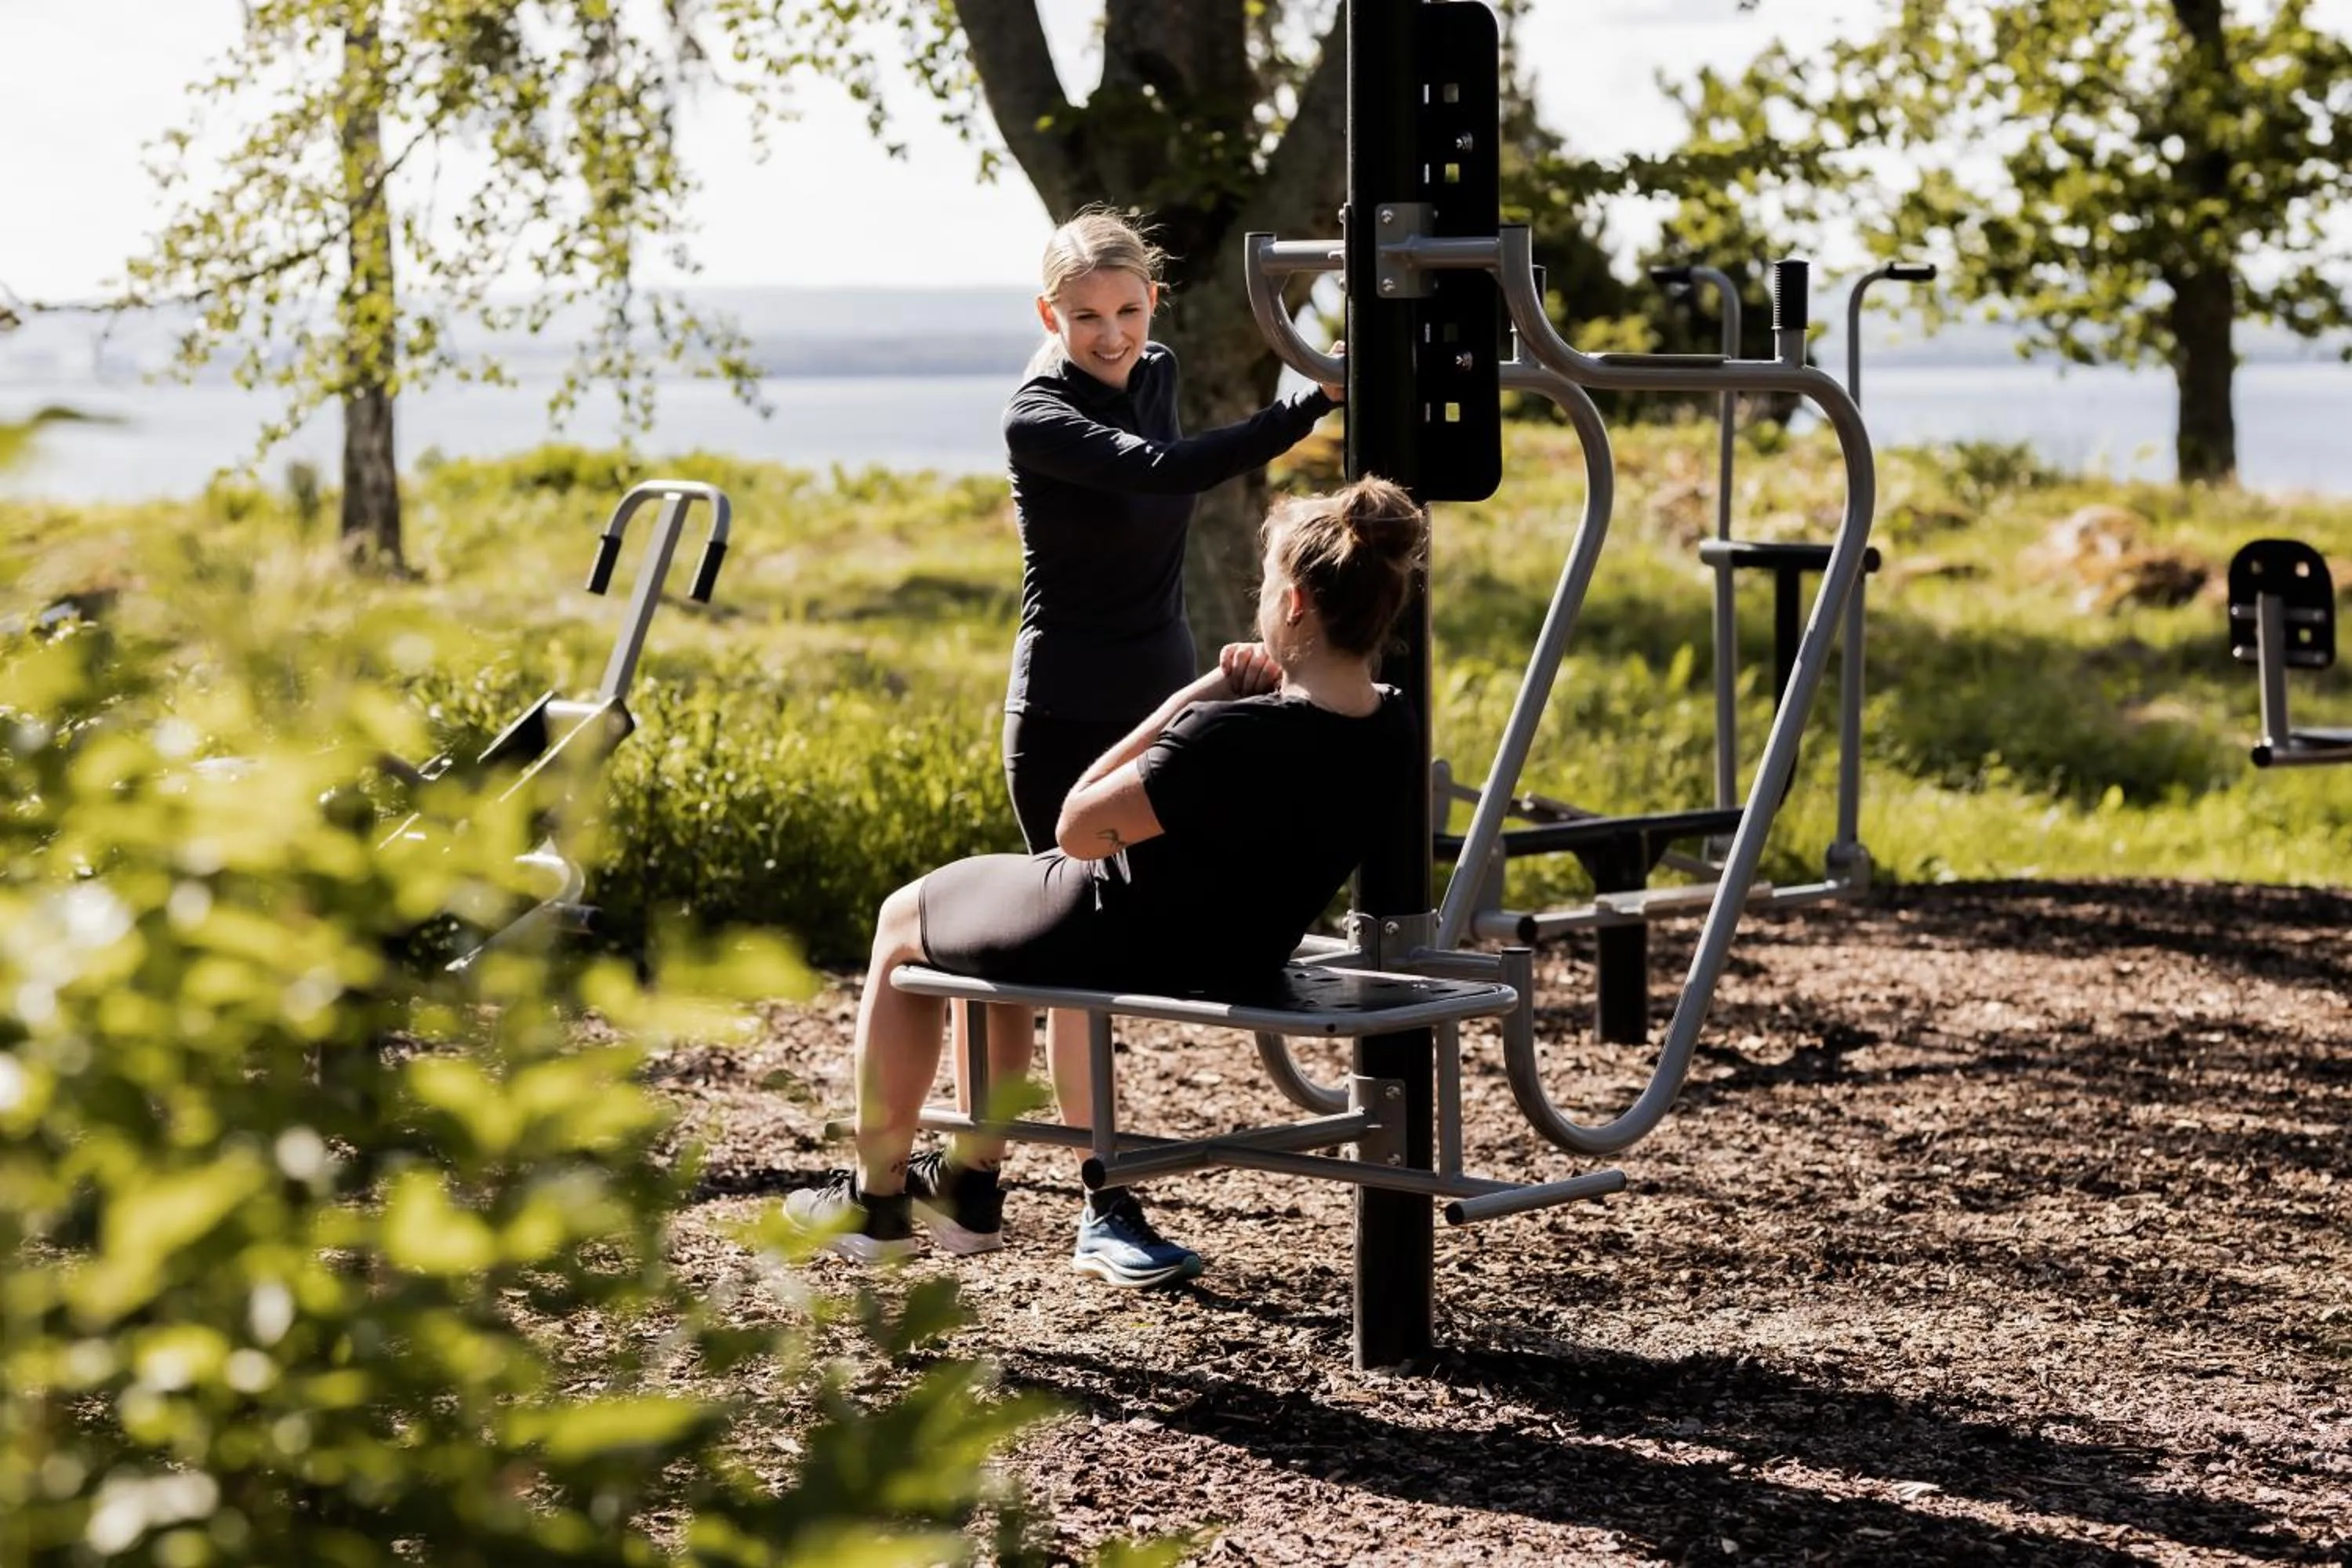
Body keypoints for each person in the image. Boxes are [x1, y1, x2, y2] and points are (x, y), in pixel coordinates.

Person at [786, 477, 1425, 1287]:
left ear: (1295, 603)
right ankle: (964, 1186)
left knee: (903, 919)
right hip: (1235, 954)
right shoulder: (1394, 723)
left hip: (1107, 928)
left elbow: (1076, 826)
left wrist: (1193, 698)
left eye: (1266, 585)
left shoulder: (1226, 731)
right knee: (984, 931)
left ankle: (877, 1200)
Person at [966, 206, 1345, 1276]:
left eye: (1128, 310)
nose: (1112, 335)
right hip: (1065, 712)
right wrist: (1313, 403)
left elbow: (1166, 466)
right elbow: (1165, 473)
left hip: (1161, 689)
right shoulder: (1037, 416)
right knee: (1059, 958)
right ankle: (1080, 1197)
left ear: (1153, 302)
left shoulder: (1159, 369)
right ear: (1049, 314)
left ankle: (1010, 1180)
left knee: (1111, 947)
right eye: (1086, 316)